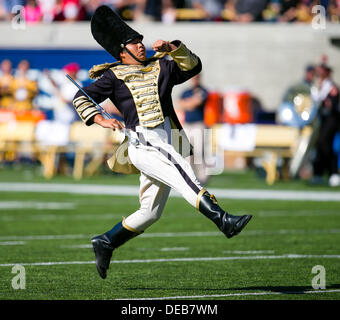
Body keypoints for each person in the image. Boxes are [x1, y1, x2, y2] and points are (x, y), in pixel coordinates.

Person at [72, 5, 252, 279]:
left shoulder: (161, 65)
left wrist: (172, 47)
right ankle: (222, 219)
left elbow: (193, 66)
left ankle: (106, 241)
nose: (141, 45)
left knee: (150, 212)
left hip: (168, 139)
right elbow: (81, 97)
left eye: (140, 41)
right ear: (122, 51)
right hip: (144, 143)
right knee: (186, 176)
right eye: (134, 42)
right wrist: (102, 120)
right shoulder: (113, 75)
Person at [310, 63, 340, 187]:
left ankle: (333, 173)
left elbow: (331, 105)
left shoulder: (331, 87)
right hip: (321, 120)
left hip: (331, 120)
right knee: (319, 146)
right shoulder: (317, 87)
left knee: (325, 144)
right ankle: (319, 173)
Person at [177, 73, 210, 184]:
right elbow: (181, 104)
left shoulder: (203, 90)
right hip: (187, 125)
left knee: (199, 152)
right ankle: (190, 177)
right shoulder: (186, 92)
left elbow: (196, 103)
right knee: (187, 153)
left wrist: (189, 103)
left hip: (198, 124)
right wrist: (192, 102)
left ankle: (203, 177)